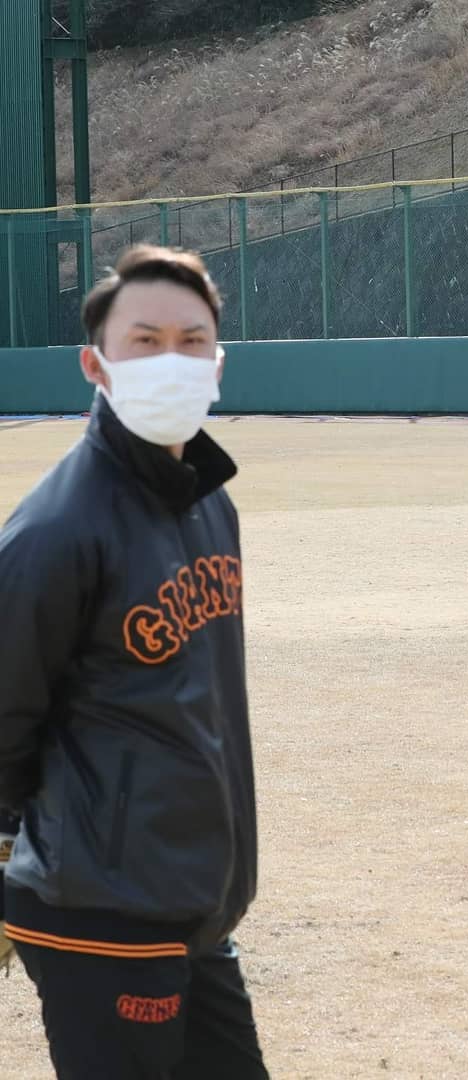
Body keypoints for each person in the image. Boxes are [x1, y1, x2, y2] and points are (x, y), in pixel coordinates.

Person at [0, 245, 268, 1079]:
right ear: (96, 364)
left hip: (192, 901)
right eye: (144, 341)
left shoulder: (209, 503)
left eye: (192, 341)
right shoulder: (56, 530)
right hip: (99, 908)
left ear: (218, 363)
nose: (170, 360)